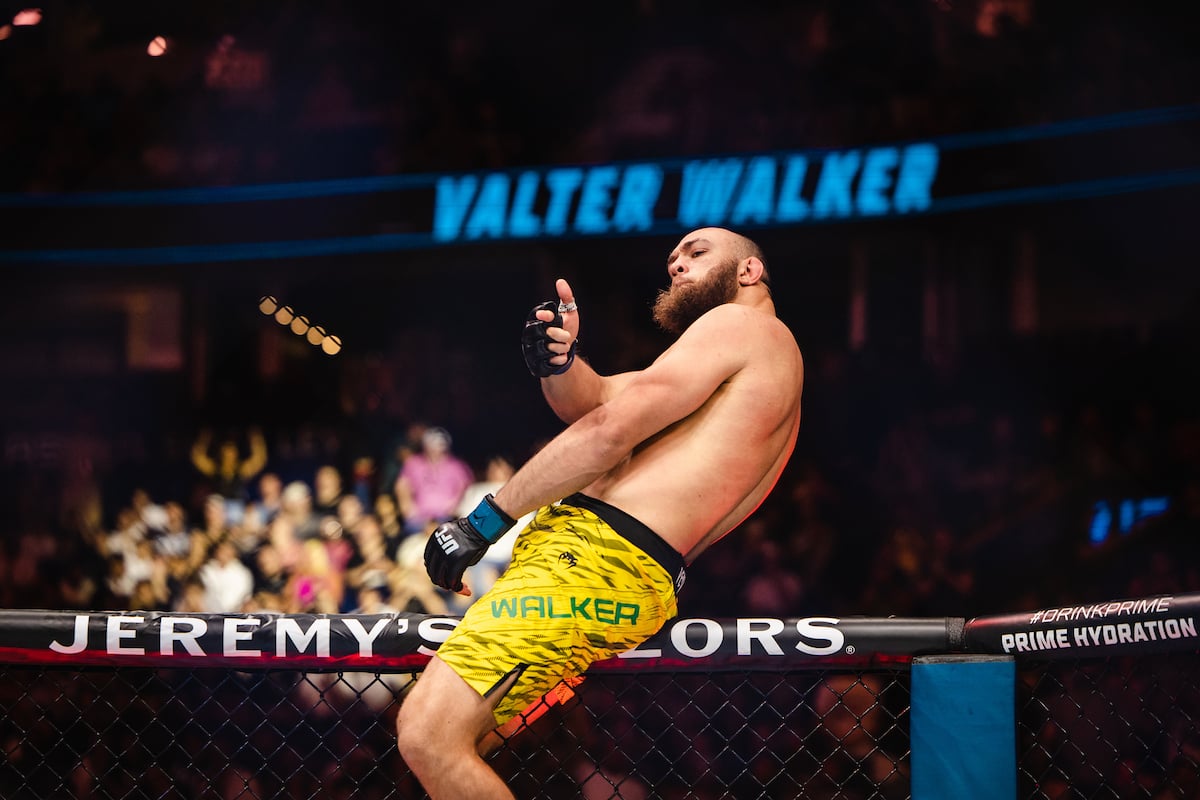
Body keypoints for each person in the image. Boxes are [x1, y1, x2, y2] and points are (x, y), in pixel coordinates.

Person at [395, 227, 804, 799]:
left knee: (427, 736)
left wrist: (483, 521)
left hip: (593, 559)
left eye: (697, 253)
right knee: (453, 744)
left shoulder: (741, 325)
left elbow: (607, 432)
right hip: (620, 568)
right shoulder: (753, 361)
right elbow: (598, 400)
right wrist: (559, 360)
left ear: (749, 272)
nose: (677, 264)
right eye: (673, 258)